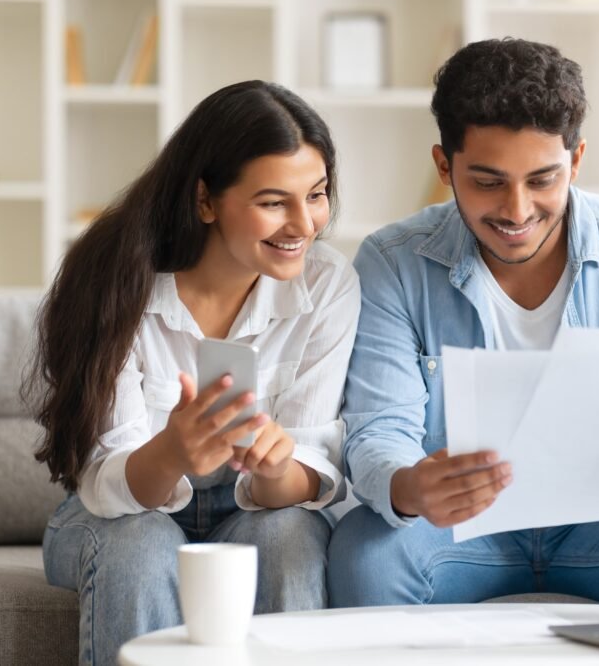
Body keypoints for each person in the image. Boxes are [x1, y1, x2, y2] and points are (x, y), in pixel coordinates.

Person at [327, 39, 599, 607]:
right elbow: (379, 433)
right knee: (365, 552)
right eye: (487, 182)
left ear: (576, 161)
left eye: (543, 180)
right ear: (443, 165)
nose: (517, 210)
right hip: (460, 530)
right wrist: (409, 488)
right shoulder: (392, 262)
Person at [27, 80, 360, 665]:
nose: (304, 224)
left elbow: (312, 472)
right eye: (273, 202)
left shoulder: (328, 286)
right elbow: (106, 483)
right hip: (118, 512)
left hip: (255, 510)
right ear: (205, 200)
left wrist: (279, 466)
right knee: (142, 545)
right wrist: (173, 453)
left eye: (316, 195)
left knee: (289, 537)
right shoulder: (116, 282)